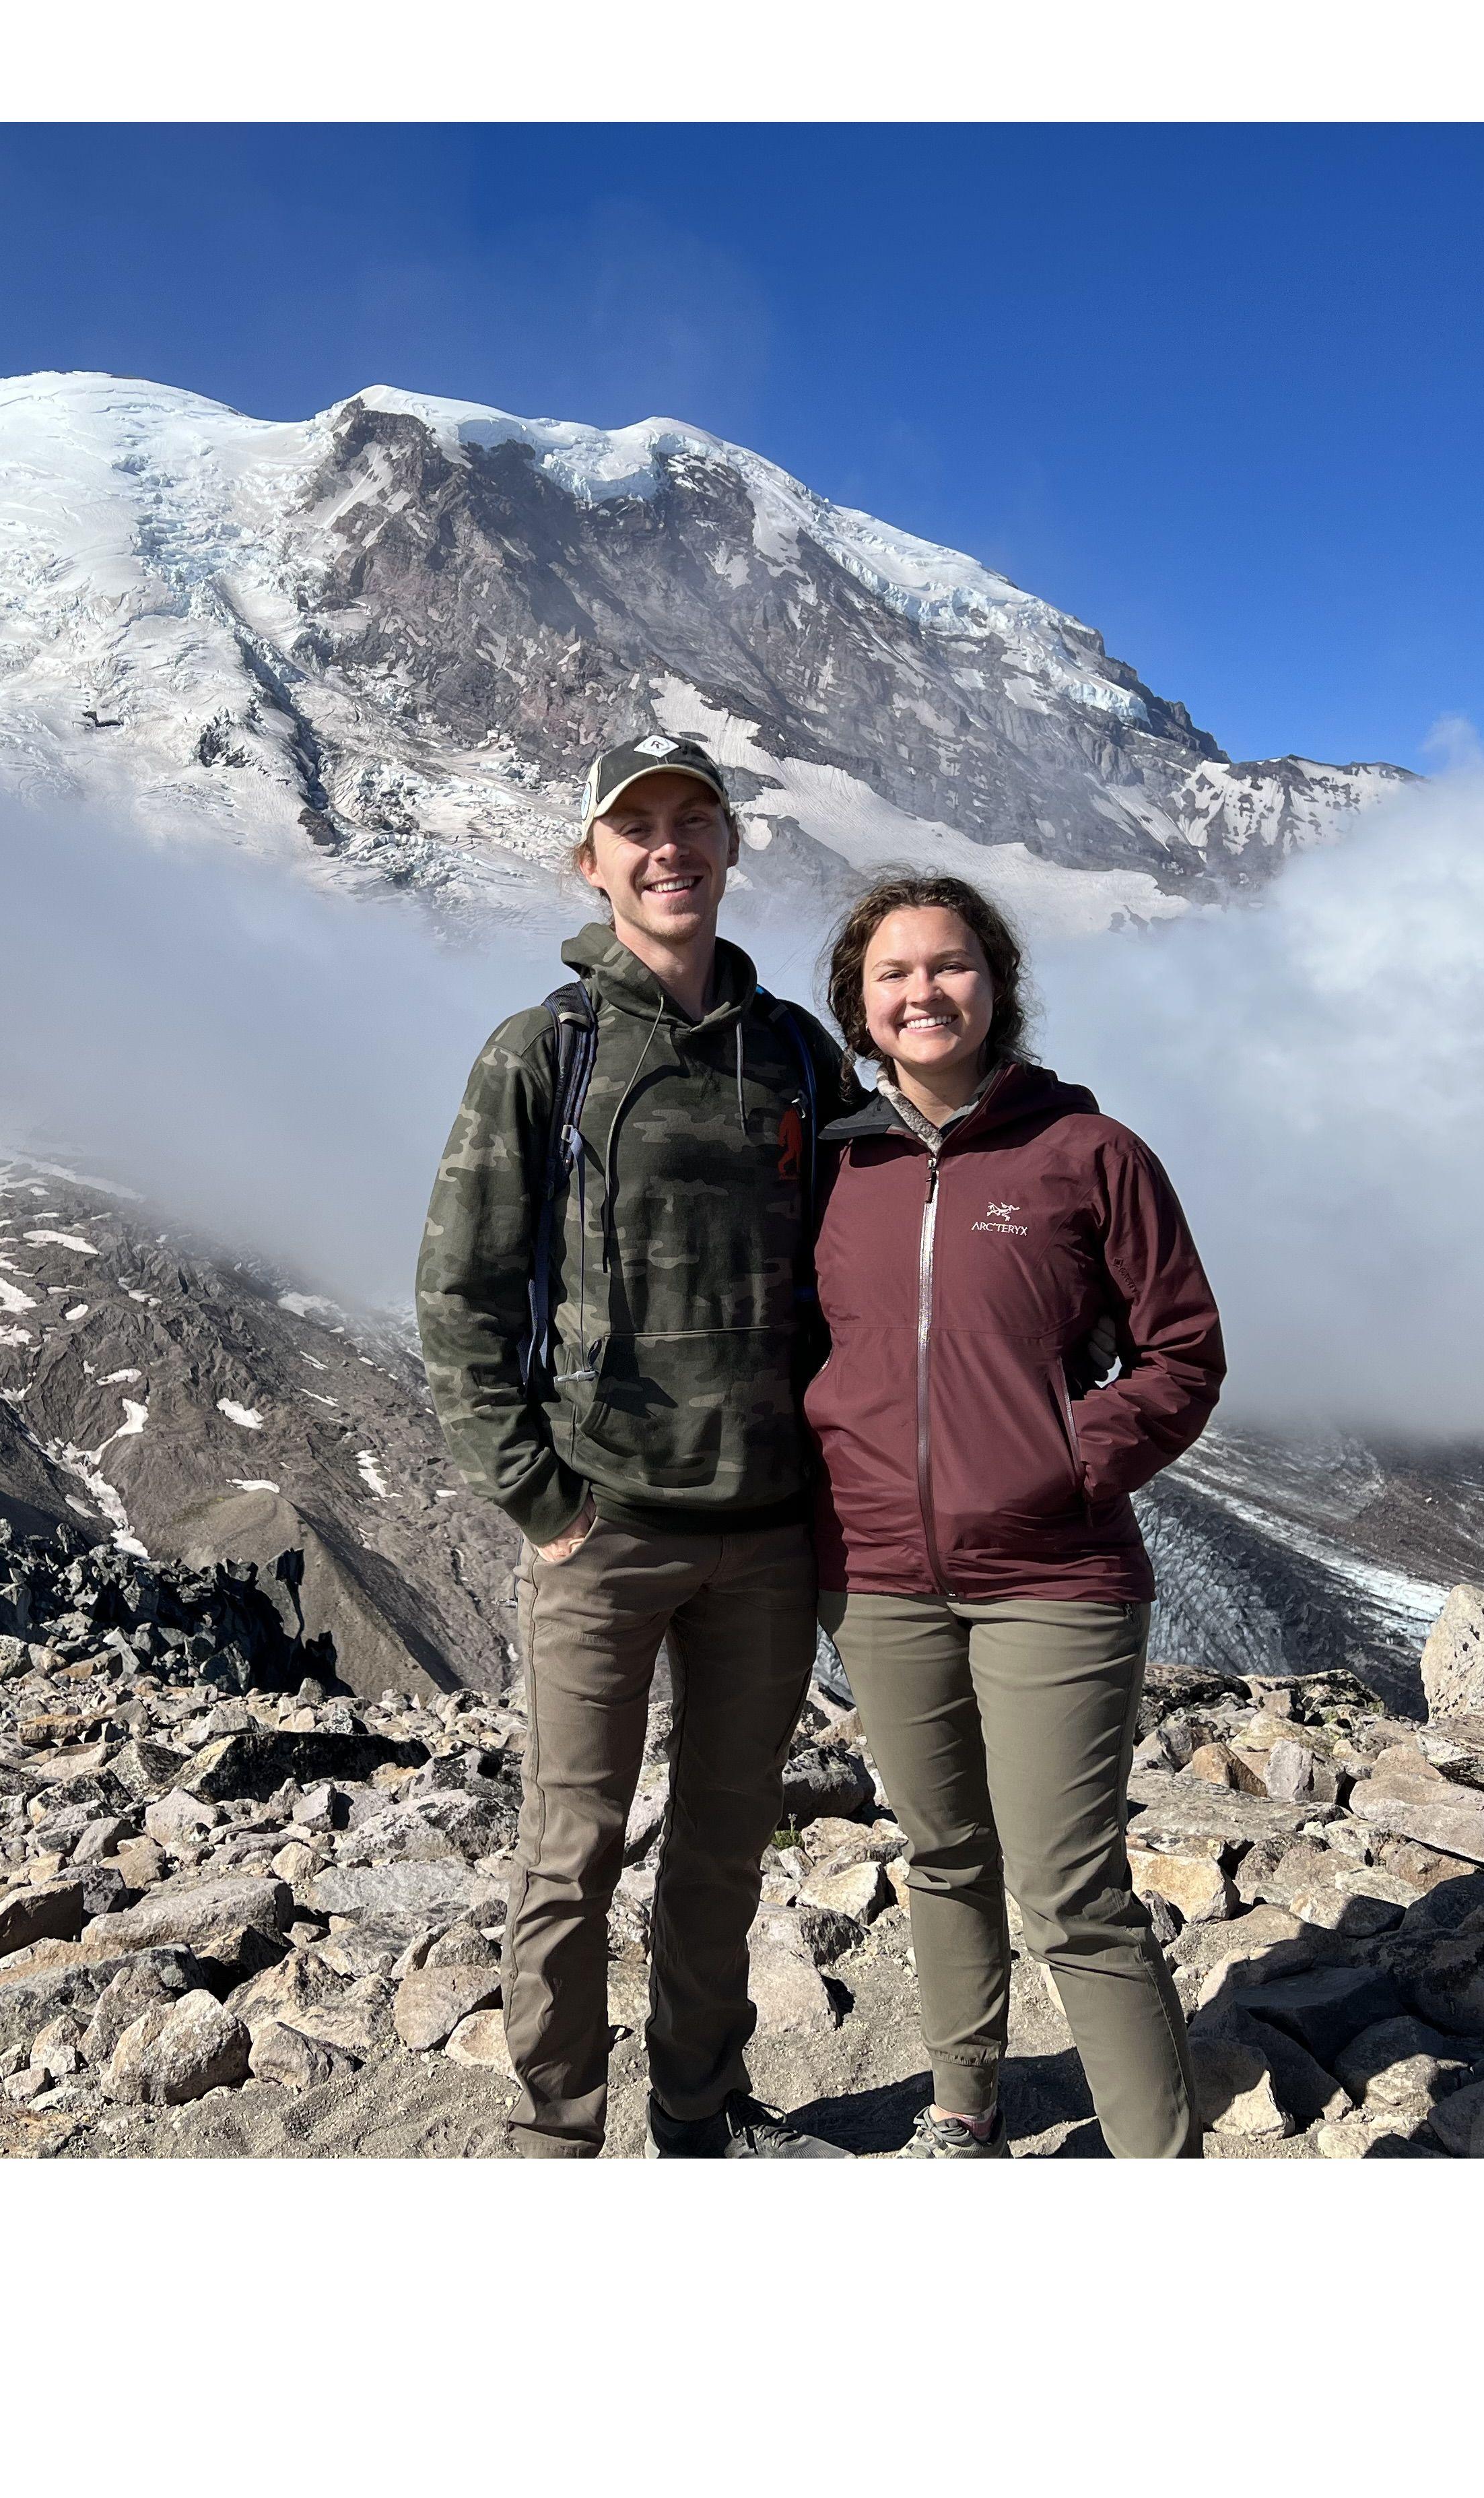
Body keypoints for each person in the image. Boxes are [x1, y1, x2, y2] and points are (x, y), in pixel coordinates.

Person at [417, 731, 861, 2159]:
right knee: (570, 1851)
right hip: (604, 1528)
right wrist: (543, 1506)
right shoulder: (543, 1051)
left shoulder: (796, 1051)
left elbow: (865, 1263)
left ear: (732, 848)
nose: (669, 848)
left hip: (767, 1530)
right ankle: (556, 2134)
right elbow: (461, 1289)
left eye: (695, 822)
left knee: (726, 1850)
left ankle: (699, 2113)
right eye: (637, 827)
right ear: (591, 860)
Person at [805, 874, 1224, 2158]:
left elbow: (1184, 1353)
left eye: (950, 966)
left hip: (1057, 1572)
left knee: (1070, 1884)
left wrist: (1069, 1458)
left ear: (998, 985)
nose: (923, 991)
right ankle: (961, 2116)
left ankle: (1158, 2157)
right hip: (875, 1575)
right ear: (859, 1008)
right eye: (894, 974)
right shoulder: (828, 1165)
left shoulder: (1090, 1156)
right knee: (939, 1853)